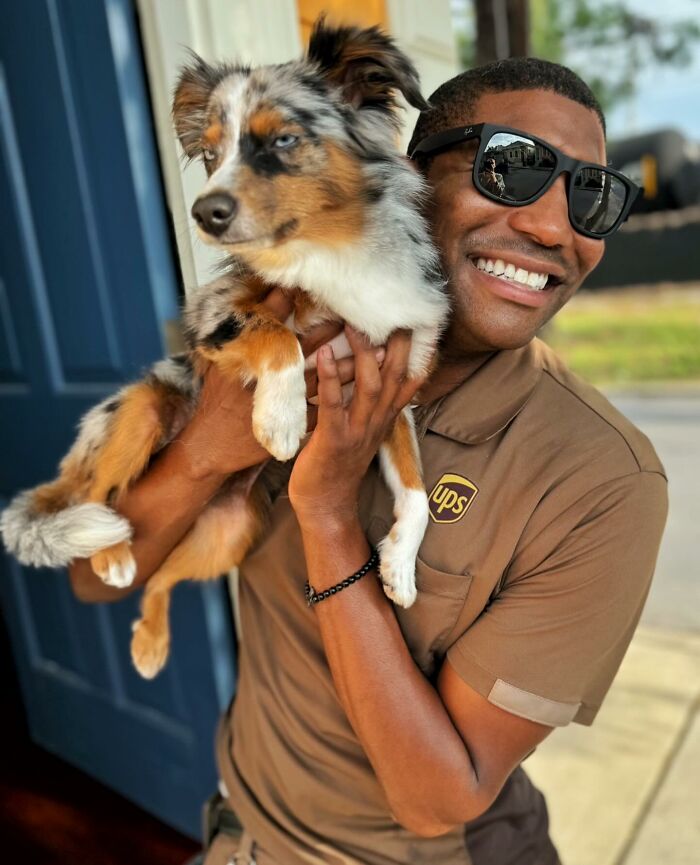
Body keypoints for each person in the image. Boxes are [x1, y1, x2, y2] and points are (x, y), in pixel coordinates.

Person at [69, 57, 668, 865]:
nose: (555, 228)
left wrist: (326, 512)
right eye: (512, 167)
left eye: (593, 196)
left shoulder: (600, 483)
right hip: (238, 834)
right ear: (411, 172)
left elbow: (436, 798)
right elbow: (92, 574)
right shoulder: (276, 340)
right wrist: (209, 447)